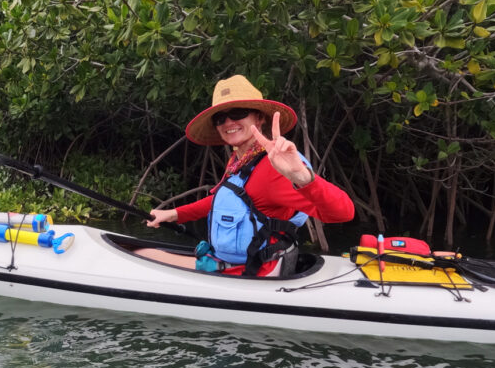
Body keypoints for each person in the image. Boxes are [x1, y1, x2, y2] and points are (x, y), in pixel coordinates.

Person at [140, 75, 354, 276]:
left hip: (253, 272)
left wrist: (304, 178)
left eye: (238, 113)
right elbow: (228, 201)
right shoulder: (240, 161)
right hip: (231, 265)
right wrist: (174, 214)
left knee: (142, 256)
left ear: (259, 117)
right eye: (220, 118)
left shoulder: (274, 169)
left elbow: (343, 213)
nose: (228, 122)